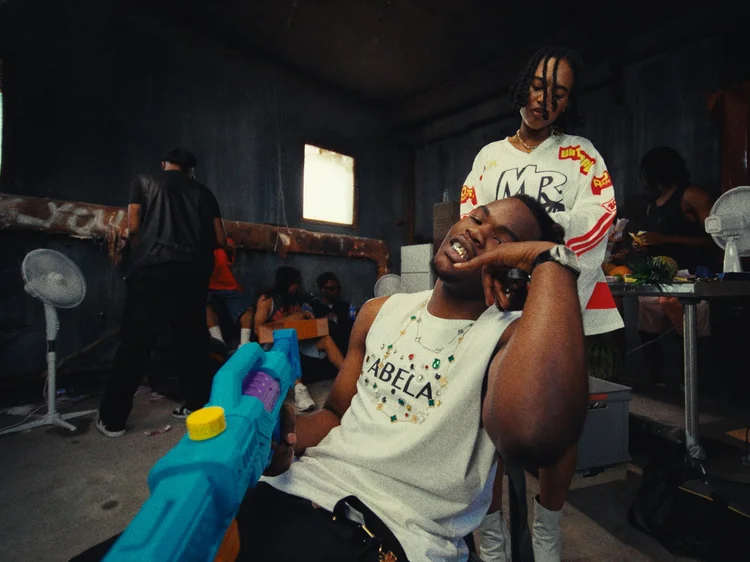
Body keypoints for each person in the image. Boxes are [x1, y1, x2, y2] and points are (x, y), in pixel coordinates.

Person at [70, 196, 587, 562]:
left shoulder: (505, 337)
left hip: (385, 531)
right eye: (476, 217)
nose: (476, 230)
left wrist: (550, 262)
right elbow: (337, 414)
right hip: (288, 490)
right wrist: (284, 438)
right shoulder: (381, 311)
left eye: (502, 239)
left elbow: (535, 435)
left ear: (515, 268)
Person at [457, 46, 623, 561]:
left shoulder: (580, 154)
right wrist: (494, 259)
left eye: (558, 93)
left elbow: (601, 213)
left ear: (569, 102)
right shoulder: (489, 157)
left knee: (561, 421)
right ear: (522, 86)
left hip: (557, 301)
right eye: (537, 86)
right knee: (483, 420)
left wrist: (539, 236)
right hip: (499, 302)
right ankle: (491, 536)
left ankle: (547, 529)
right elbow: (470, 219)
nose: (543, 101)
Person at [97, 148, 226, 437]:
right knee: (192, 343)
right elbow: (220, 238)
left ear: (164, 164)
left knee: (135, 343)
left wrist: (141, 251)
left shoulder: (143, 181)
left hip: (152, 269)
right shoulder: (204, 192)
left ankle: (113, 421)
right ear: (190, 170)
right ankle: (197, 407)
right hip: (193, 273)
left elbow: (133, 226)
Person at [636, 146, 716, 386]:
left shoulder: (692, 195)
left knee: (689, 329)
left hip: (690, 274)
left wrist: (665, 239)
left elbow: (714, 239)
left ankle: (693, 385)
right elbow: (658, 241)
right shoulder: (654, 204)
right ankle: (656, 381)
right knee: (647, 321)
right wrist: (645, 246)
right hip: (660, 276)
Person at [254, 266, 346, 412]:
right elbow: (258, 330)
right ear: (286, 283)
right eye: (295, 283)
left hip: (300, 341)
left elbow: (299, 324)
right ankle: (299, 390)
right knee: (288, 340)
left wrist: (306, 318)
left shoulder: (294, 301)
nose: (297, 287)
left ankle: (348, 375)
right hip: (276, 344)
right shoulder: (267, 300)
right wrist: (291, 318)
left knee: (325, 340)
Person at [206, 237, 255, 347]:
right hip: (208, 287)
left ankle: (244, 343)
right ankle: (218, 343)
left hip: (229, 287)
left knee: (247, 307)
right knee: (206, 309)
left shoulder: (225, 243)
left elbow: (228, 248)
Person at [309, 272, 354, 354]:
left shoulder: (345, 306)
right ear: (322, 289)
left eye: (338, 288)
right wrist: (325, 320)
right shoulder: (312, 306)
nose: (336, 291)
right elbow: (308, 329)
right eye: (332, 289)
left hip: (345, 348)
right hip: (323, 350)